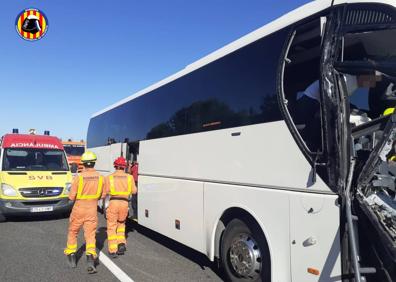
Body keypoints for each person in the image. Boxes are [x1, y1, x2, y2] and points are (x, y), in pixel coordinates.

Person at [64, 151, 106, 274]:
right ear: (94, 163)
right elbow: (103, 195)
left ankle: (72, 257)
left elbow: (71, 197)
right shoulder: (101, 178)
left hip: (79, 208)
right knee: (90, 234)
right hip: (92, 209)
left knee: (73, 232)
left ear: (83, 163)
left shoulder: (78, 177)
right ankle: (90, 260)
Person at [104, 157, 137, 257]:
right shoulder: (129, 177)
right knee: (121, 224)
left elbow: (104, 192)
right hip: (124, 203)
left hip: (114, 202)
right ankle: (121, 243)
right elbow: (134, 191)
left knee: (111, 226)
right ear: (124, 167)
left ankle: (113, 249)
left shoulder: (109, 177)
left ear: (115, 166)